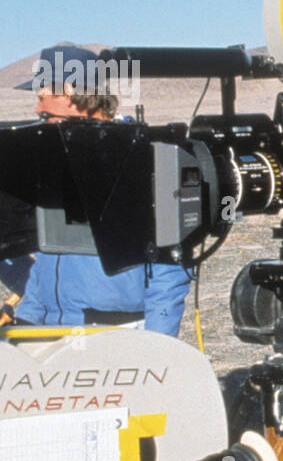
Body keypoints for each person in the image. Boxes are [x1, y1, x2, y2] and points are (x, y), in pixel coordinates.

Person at [11, 46, 191, 337]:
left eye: (43, 97)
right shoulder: (56, 159)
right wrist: (29, 316)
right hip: (52, 329)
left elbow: (169, 269)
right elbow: (48, 251)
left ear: (71, 94)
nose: (37, 109)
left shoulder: (143, 161)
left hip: (112, 333)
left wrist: (158, 346)